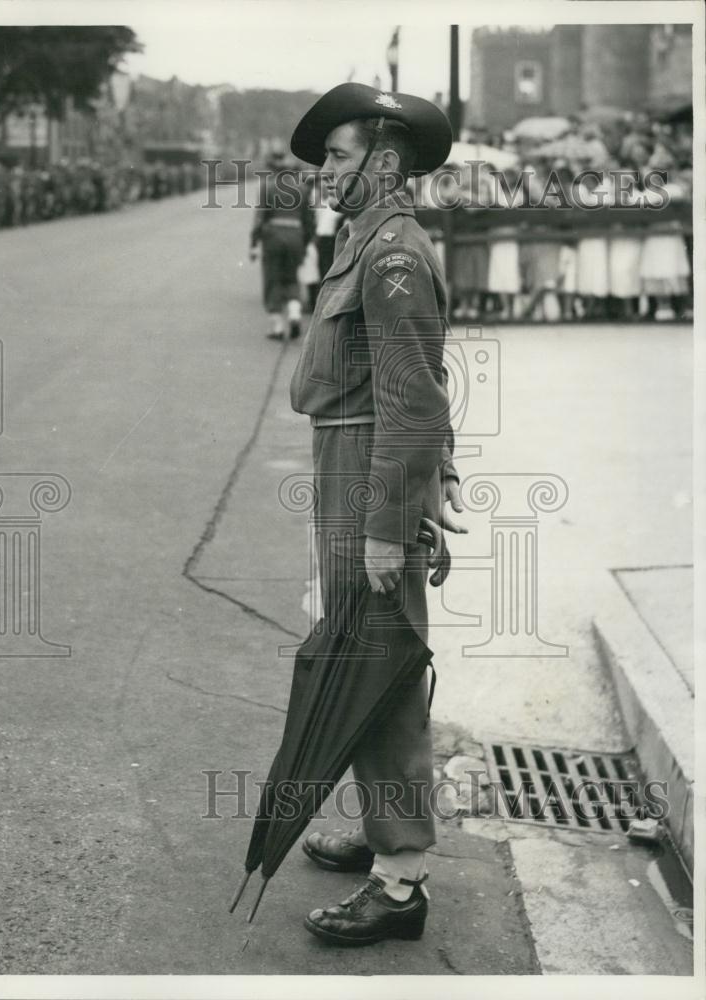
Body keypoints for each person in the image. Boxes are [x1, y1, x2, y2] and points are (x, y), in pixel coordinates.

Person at [288, 82, 466, 946]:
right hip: (351, 458)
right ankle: (381, 831)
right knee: (363, 659)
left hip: (366, 471)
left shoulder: (390, 254)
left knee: (381, 670)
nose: (324, 172)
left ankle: (400, 885)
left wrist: (390, 524)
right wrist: (441, 468)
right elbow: (418, 374)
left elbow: (414, 396)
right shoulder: (369, 239)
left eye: (336, 155)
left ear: (384, 163)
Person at [250, 146, 314, 340]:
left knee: (273, 279)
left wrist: (253, 243)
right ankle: (294, 314)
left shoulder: (267, 186)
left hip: (273, 236)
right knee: (292, 277)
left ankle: (277, 327)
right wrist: (305, 242)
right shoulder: (302, 188)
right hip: (296, 236)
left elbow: (260, 218)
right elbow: (309, 220)